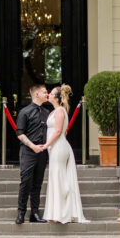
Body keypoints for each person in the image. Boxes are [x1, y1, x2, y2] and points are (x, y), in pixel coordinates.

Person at [42, 84, 89, 224]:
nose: (48, 95)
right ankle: (56, 212)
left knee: (59, 177)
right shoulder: (54, 111)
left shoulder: (60, 111)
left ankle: (62, 212)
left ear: (57, 98)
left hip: (59, 147)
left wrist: (46, 145)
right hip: (55, 147)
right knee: (55, 177)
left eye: (51, 94)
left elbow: (58, 131)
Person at [15, 83, 50, 224]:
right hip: (28, 152)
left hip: (42, 152)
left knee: (37, 183)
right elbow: (20, 134)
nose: (47, 94)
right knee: (26, 182)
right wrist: (33, 146)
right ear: (36, 94)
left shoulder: (47, 113)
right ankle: (21, 213)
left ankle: (35, 213)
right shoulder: (24, 112)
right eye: (44, 92)